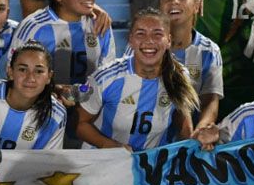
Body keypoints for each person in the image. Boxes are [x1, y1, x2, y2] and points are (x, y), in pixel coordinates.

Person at [77, 8, 198, 150]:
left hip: (150, 165)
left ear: (169, 41)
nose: (149, 40)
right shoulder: (106, 78)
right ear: (131, 40)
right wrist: (112, 147)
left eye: (157, 34)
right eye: (141, 34)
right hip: (104, 163)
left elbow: (184, 124)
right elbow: (81, 124)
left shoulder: (179, 75)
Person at [12, 0, 116, 98]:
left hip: (90, 108)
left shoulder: (100, 24)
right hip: (42, 107)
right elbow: (15, 77)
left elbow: (107, 77)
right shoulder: (33, 27)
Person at [158, 0, 223, 130]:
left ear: (197, 5)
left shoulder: (209, 51)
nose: (174, 1)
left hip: (190, 138)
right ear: (159, 7)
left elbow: (210, 99)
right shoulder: (146, 45)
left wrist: (200, 131)